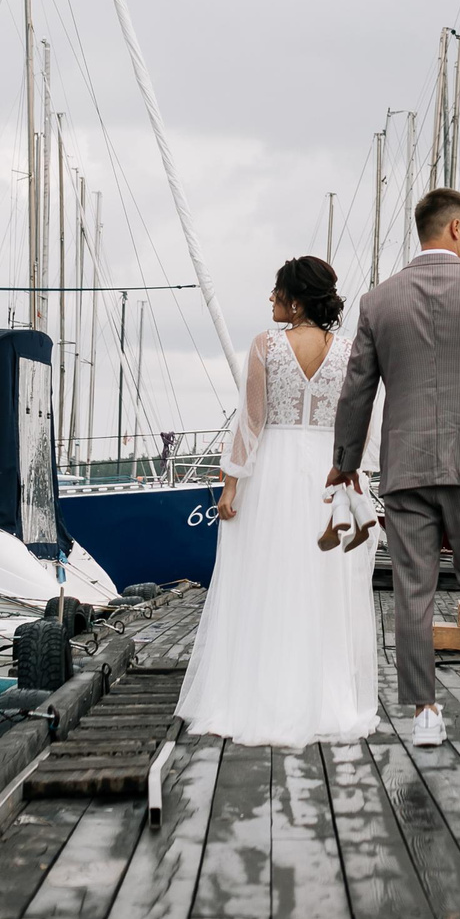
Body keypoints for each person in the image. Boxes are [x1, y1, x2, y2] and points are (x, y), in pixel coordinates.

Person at [331, 186, 460, 750]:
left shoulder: (377, 302)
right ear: (452, 229)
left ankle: (425, 715)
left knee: (413, 592)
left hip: (408, 466)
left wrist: (345, 462)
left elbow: (357, 391)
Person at [177, 256, 378, 746]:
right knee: (326, 585)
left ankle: (264, 691)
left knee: (268, 578)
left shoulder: (266, 346)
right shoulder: (352, 352)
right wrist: (356, 475)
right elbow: (366, 420)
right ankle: (324, 694)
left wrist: (231, 485)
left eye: (276, 292)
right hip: (331, 469)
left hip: (274, 470)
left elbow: (251, 423)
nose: (270, 299)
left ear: (296, 298)